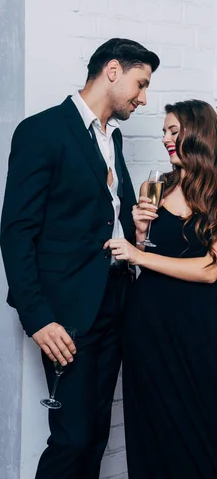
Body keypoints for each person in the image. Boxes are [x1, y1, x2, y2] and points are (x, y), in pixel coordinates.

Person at [0, 38, 160, 479]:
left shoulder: (116, 138)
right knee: (71, 438)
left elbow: (100, 221)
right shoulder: (42, 131)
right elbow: (16, 232)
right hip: (67, 312)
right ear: (113, 70)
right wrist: (37, 317)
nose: (143, 98)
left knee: (95, 435)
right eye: (140, 84)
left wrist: (136, 231)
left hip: (115, 302)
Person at [105, 99, 217, 478]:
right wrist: (140, 235)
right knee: (156, 420)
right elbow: (144, 252)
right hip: (148, 320)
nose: (165, 139)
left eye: (173, 131)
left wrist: (138, 256)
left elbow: (211, 268)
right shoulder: (155, 186)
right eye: (164, 132)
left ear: (199, 133)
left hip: (199, 323)